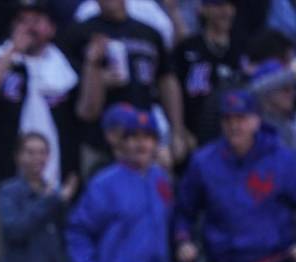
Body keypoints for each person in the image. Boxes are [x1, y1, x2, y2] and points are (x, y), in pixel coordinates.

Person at [0, 0, 78, 262]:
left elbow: (83, 117)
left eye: (37, 19)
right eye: (22, 20)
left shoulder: (65, 68)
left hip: (49, 184)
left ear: (51, 28)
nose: (29, 26)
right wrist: (13, 52)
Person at [175, 90, 296, 262]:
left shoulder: (283, 160)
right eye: (228, 119)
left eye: (241, 118)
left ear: (257, 120)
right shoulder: (204, 162)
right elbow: (184, 211)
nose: (234, 125)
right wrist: (183, 241)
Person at [63, 0, 191, 166]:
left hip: (144, 136)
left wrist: (177, 130)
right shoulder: (80, 33)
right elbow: (73, 92)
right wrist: (97, 77)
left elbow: (166, 80)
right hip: (98, 140)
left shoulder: (149, 33)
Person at [66, 108, 172, 262]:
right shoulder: (105, 183)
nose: (141, 144)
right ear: (122, 144)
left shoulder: (161, 180)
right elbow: (78, 232)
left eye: (147, 138)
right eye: (134, 138)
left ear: (156, 144)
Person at [0, 131, 80, 262]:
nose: (37, 158)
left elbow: (66, 234)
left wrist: (62, 203)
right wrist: (48, 201)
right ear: (18, 157)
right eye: (30, 152)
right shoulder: (8, 191)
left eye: (43, 152)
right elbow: (15, 230)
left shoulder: (54, 195)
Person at [173, 0, 243, 147]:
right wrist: (181, 131)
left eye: (230, 6)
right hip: (194, 134)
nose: (226, 11)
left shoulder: (242, 47)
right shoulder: (187, 47)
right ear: (203, 9)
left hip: (234, 132)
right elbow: (174, 89)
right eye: (219, 5)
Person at [249, 59, 296, 150]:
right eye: (285, 89)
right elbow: (253, 90)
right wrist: (292, 73)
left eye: (293, 88)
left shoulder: (290, 123)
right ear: (267, 92)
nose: (292, 93)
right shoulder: (254, 127)